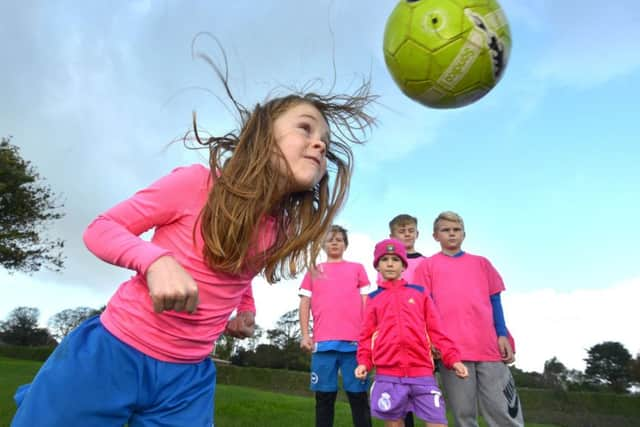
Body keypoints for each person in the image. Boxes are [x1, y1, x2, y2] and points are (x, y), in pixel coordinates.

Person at [10, 61, 377, 426]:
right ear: (263, 137)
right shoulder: (195, 184)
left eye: (325, 142)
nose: (319, 143)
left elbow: (237, 268)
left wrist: (245, 308)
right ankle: (47, 395)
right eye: (305, 128)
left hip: (187, 381)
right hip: (114, 352)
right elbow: (101, 228)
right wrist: (156, 261)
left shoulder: (277, 228)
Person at [414, 211, 524, 427]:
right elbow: (424, 310)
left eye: (456, 230)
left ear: (464, 234)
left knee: (503, 411)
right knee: (464, 415)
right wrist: (431, 342)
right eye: (446, 230)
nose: (452, 234)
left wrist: (502, 334)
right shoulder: (427, 267)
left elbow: (495, 301)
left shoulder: (482, 263)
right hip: (452, 351)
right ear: (436, 236)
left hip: (489, 347)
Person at [355, 238, 468, 427]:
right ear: (377, 266)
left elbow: (436, 331)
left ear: (403, 265)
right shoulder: (373, 299)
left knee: (437, 422)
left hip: (422, 373)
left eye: (395, 259)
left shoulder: (419, 293)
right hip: (388, 374)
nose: (390, 263)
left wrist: (453, 359)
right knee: (394, 424)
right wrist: (364, 363)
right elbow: (366, 337)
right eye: (384, 259)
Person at [299, 225, 374, 427]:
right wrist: (305, 335)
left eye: (339, 239)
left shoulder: (357, 268)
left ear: (345, 245)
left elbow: (367, 302)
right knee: (324, 399)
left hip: (354, 345)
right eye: (330, 239)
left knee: (358, 398)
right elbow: (304, 302)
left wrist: (369, 336)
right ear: (322, 244)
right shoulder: (314, 270)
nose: (334, 242)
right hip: (323, 345)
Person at [386, 214, 425, 427]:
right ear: (392, 236)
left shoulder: (427, 263)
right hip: (395, 333)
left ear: (417, 234)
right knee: (399, 389)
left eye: (411, 230)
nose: (407, 234)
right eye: (402, 231)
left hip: (420, 333)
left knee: (422, 388)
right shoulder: (387, 264)